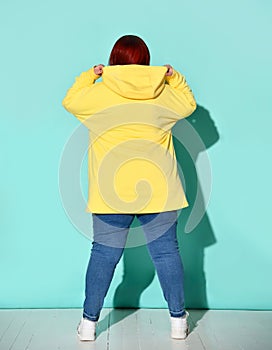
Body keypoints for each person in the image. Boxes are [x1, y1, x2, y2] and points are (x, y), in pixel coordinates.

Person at [62, 34, 197, 341]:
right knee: (166, 255)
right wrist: (173, 77)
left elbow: (70, 100)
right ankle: (178, 322)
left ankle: (88, 325)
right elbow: (189, 104)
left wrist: (90, 75)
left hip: (111, 194)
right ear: (146, 61)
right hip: (159, 191)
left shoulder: (98, 96)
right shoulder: (162, 95)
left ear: (113, 60)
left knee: (103, 256)